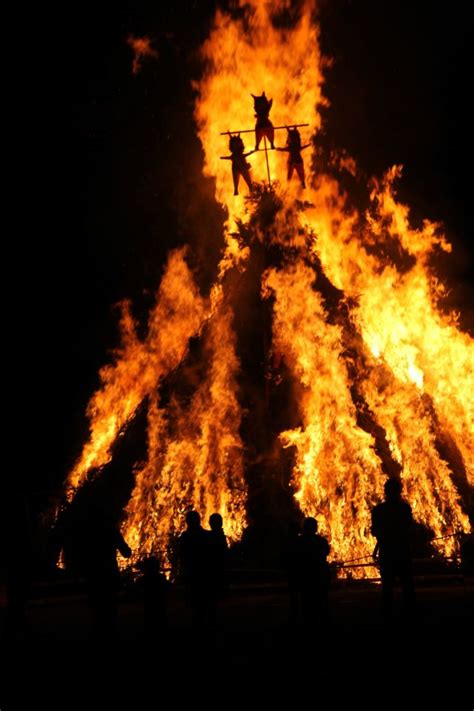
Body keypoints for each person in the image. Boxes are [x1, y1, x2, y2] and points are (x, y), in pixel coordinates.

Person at [371, 478, 416, 620]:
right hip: (402, 551)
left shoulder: (379, 510)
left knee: (387, 587)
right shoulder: (404, 508)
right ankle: (409, 613)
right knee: (407, 585)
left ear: (386, 491)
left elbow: (375, 531)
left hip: (387, 552)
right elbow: (409, 528)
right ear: (399, 491)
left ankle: (387, 614)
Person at [293, 517, 330, 625]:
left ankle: (309, 626)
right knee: (322, 603)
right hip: (319, 575)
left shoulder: (298, 541)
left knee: (307, 604)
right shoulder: (321, 541)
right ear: (315, 528)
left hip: (305, 576)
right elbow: (325, 553)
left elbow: (295, 557)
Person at [178, 510, 210, 627]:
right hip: (204, 575)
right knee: (204, 604)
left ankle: (198, 627)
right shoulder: (207, 535)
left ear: (187, 522)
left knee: (195, 604)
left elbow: (181, 555)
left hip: (192, 574)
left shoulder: (185, 537)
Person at [207, 513, 230, 624]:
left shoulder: (211, 537)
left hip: (213, 573)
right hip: (218, 572)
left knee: (212, 602)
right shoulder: (220, 537)